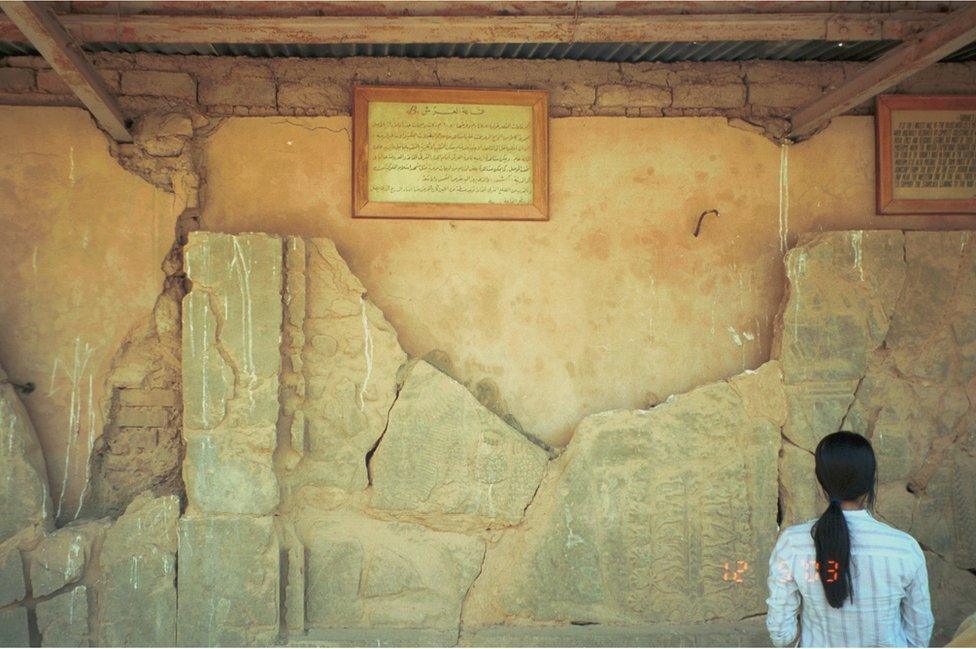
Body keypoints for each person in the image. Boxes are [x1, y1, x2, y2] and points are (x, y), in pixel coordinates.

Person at [765, 431, 934, 647]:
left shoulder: (793, 544)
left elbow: (781, 634)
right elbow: (919, 637)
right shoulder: (904, 548)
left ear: (821, 481)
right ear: (871, 480)